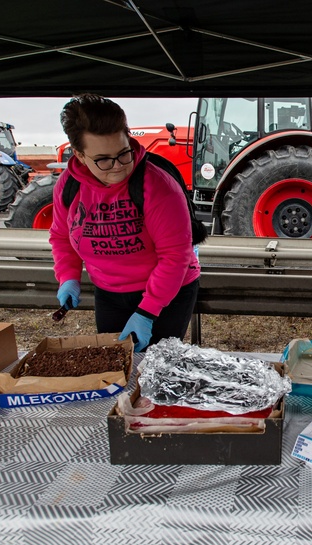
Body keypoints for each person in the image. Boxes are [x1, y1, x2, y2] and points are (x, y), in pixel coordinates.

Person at [49, 94, 201, 352]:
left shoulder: (158, 187)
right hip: (108, 293)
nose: (118, 167)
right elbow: (62, 236)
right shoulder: (69, 185)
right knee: (115, 363)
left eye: (123, 153)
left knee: (156, 367)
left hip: (167, 293)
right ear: (79, 155)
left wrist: (147, 312)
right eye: (104, 160)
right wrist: (67, 276)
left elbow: (175, 256)